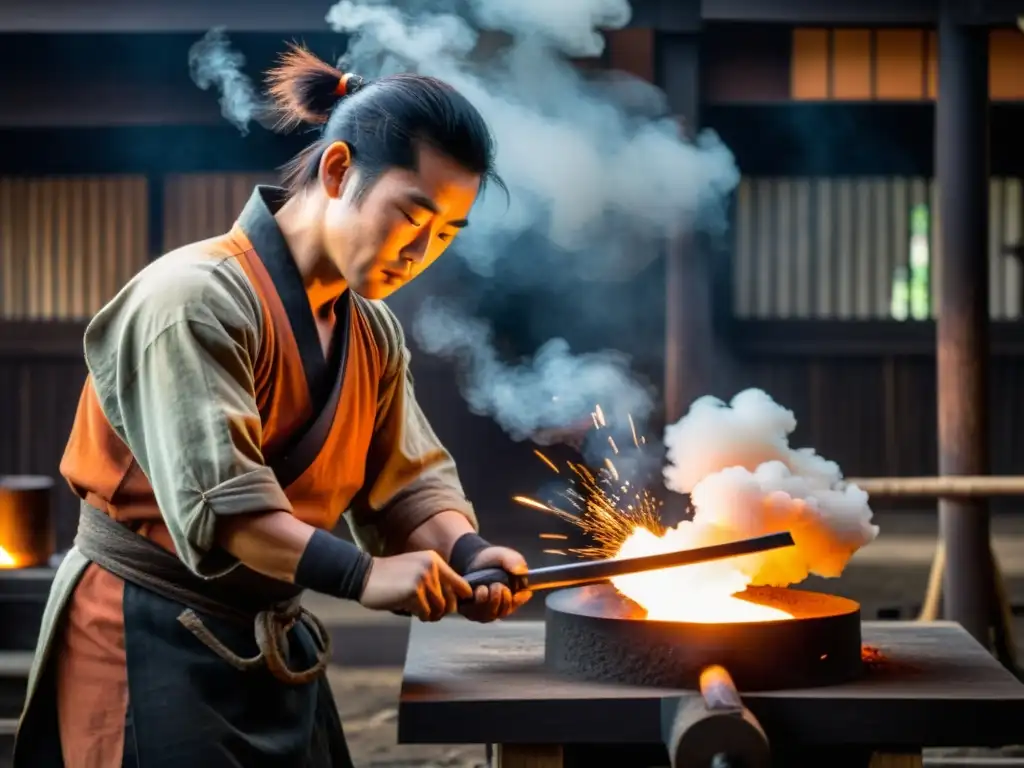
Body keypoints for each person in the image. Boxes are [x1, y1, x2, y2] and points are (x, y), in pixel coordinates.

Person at [14, 44, 532, 768]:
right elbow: (226, 508)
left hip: (270, 634)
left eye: (446, 234)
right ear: (339, 170)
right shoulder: (191, 298)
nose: (421, 253)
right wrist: (365, 576)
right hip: (142, 631)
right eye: (412, 217)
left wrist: (467, 552)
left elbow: (408, 483)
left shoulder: (371, 331)